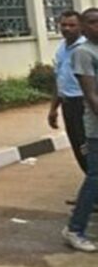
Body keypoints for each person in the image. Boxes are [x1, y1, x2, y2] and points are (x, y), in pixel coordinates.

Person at [64, 7, 98, 252]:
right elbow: (92, 96)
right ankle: (75, 229)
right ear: (84, 28)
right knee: (95, 178)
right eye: (92, 22)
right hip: (96, 127)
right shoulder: (83, 53)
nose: (97, 26)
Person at [48, 10, 87, 187]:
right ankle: (92, 190)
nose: (67, 28)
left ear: (81, 27)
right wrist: (53, 109)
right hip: (68, 103)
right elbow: (59, 79)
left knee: (88, 147)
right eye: (64, 25)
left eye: (72, 25)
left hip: (85, 103)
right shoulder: (61, 48)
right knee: (78, 146)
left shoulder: (86, 48)